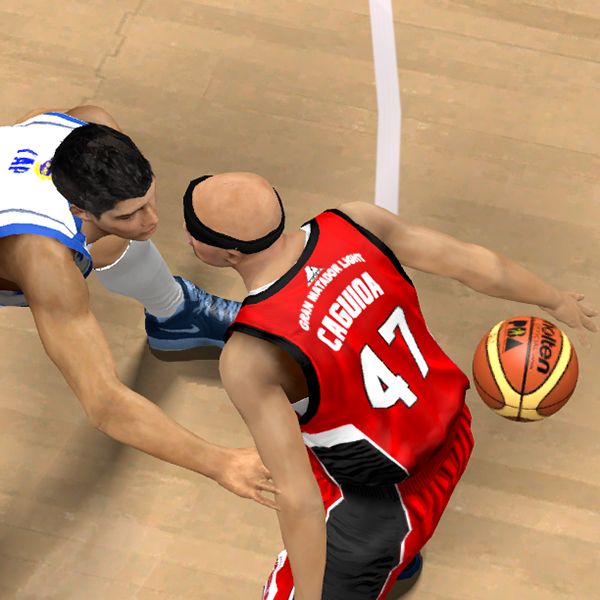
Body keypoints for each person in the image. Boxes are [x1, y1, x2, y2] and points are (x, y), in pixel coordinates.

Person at [182, 171, 598, 600]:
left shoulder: (250, 356)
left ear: (229, 253)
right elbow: (472, 263)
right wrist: (554, 298)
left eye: (192, 230)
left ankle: (389, 556)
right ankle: (400, 557)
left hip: (379, 514)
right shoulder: (355, 222)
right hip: (453, 433)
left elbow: (300, 500)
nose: (187, 236)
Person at [0, 107, 279, 510]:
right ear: (78, 210)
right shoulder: (44, 259)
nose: (151, 220)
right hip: (20, 242)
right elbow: (105, 403)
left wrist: (124, 217)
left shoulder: (91, 123)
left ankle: (175, 314)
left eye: (149, 199)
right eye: (131, 213)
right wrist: (221, 463)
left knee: (114, 237)